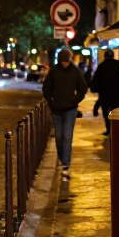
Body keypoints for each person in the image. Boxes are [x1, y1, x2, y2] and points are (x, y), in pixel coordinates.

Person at [42, 48, 88, 180]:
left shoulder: (75, 71)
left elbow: (83, 88)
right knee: (59, 136)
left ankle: (66, 164)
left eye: (66, 61)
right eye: (63, 61)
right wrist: (50, 100)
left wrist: (75, 100)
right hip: (56, 108)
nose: (65, 64)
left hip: (70, 109)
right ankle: (62, 159)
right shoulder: (54, 72)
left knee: (67, 137)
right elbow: (46, 87)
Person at [89, 48, 119, 135]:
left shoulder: (101, 66)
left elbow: (95, 81)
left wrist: (95, 89)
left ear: (105, 56)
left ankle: (109, 130)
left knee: (106, 114)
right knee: (117, 113)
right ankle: (118, 130)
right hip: (118, 94)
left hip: (105, 95)